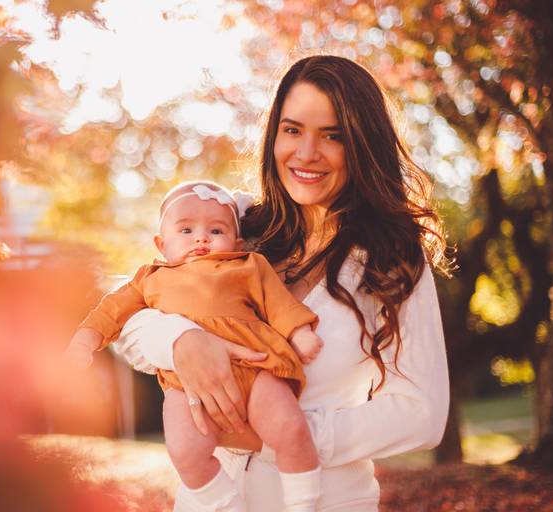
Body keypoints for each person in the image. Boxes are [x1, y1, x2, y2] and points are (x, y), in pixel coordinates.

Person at [114, 55, 451, 511]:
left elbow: (422, 414)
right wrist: (180, 341)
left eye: (333, 135)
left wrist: (280, 434)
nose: (306, 153)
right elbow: (129, 310)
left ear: (363, 145)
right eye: (292, 130)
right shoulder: (236, 226)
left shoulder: (391, 260)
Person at [66, 180, 327, 511]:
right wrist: (86, 339)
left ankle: (303, 503)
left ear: (237, 242)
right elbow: (112, 311)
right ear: (161, 243)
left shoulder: (249, 265)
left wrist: (299, 332)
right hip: (187, 383)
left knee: (290, 429)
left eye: (216, 231)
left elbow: (279, 304)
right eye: (186, 230)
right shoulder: (150, 277)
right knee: (184, 450)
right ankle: (224, 505)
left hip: (258, 364)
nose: (201, 238)